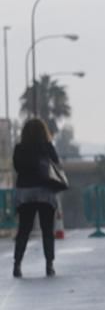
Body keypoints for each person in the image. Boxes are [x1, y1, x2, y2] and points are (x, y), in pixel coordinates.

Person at [11, 118, 64, 278]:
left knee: (24, 230)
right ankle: (49, 265)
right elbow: (56, 163)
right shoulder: (47, 147)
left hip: (25, 193)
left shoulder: (20, 148)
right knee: (47, 230)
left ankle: (17, 264)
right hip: (45, 192)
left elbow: (16, 166)